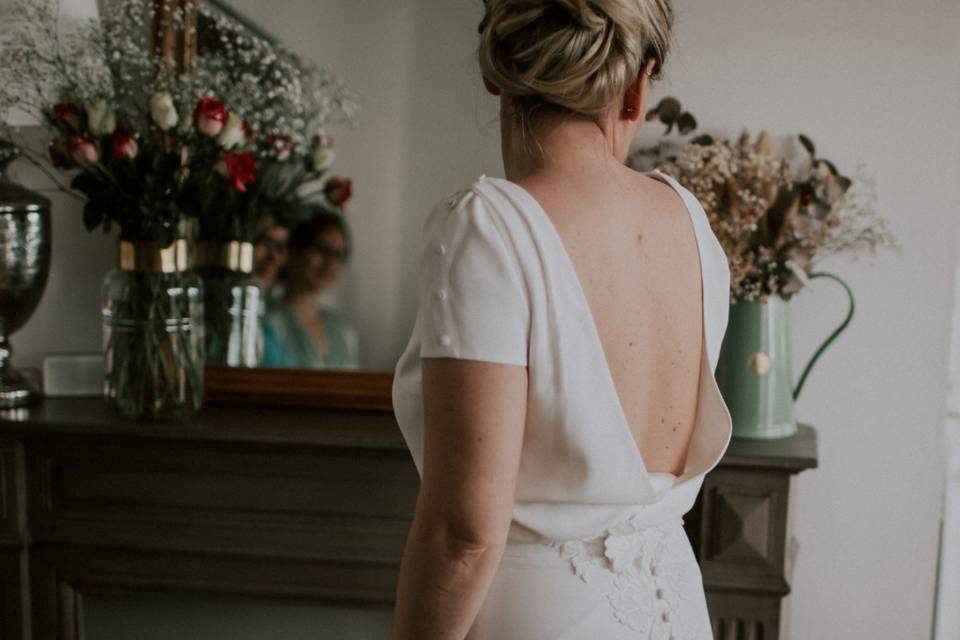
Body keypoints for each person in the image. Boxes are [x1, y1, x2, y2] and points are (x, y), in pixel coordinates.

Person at [390, 1, 732, 638]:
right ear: (637, 87)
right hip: (677, 607)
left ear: (498, 67)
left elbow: (463, 534)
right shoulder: (689, 221)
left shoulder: (488, 226)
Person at [260, 208, 361, 369]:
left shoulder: (343, 331)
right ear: (293, 250)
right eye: (322, 249)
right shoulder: (265, 320)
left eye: (338, 254)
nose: (331, 263)